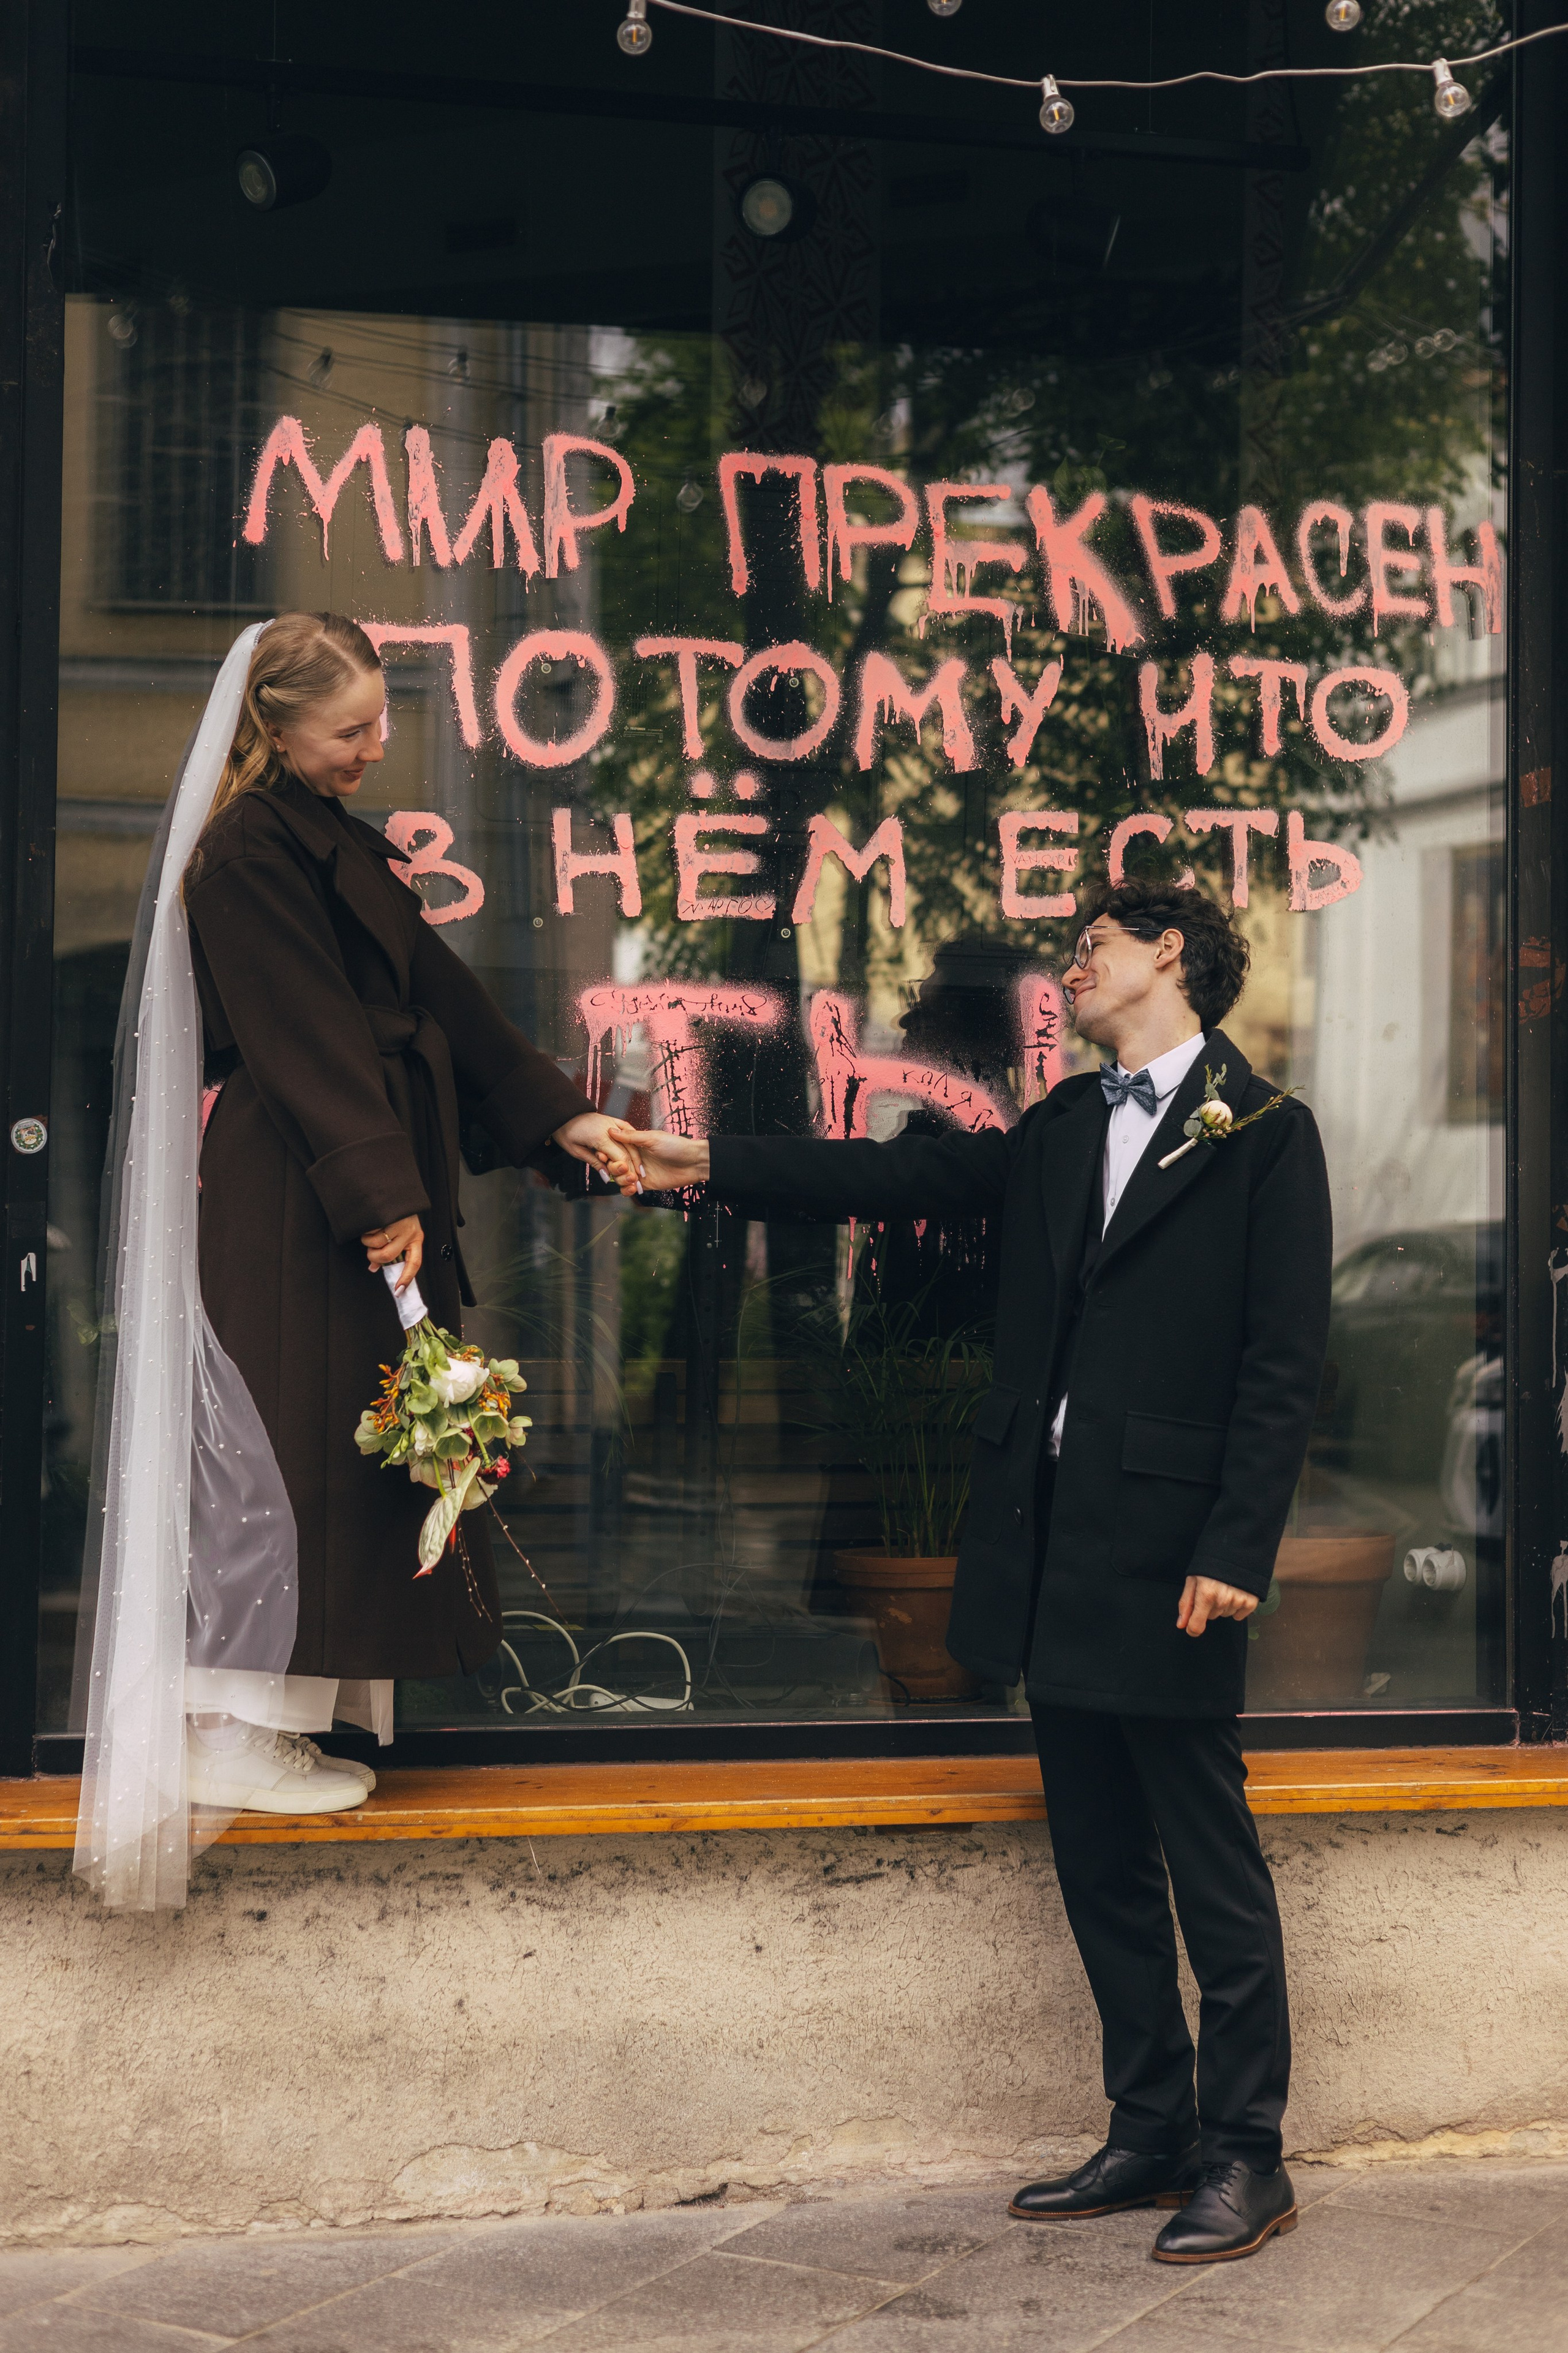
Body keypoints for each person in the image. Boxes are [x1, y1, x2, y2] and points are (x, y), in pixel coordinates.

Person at [609, 881, 1331, 2265]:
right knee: (1098, 1860)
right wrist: (699, 1160)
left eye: (1097, 944)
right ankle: (1150, 2126)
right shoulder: (1060, 1126)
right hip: (1046, 1536)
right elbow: (894, 1180)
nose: (1075, 962)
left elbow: (1284, 1362)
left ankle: (1249, 2152)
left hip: (1170, 1552)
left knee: (1210, 1867)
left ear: (1170, 955)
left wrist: (1235, 1548)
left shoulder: (1265, 1133)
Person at [74, 615, 640, 1907]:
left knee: (342, 1440)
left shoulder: (323, 839)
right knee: (290, 1443)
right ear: (275, 725)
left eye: (380, 720)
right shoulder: (246, 852)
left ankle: (277, 1714)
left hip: (343, 1176)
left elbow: (443, 1002)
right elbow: (303, 1032)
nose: (376, 745)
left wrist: (557, 1116)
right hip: (302, 1184)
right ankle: (230, 1721)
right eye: (352, 728)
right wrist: (381, 1191)